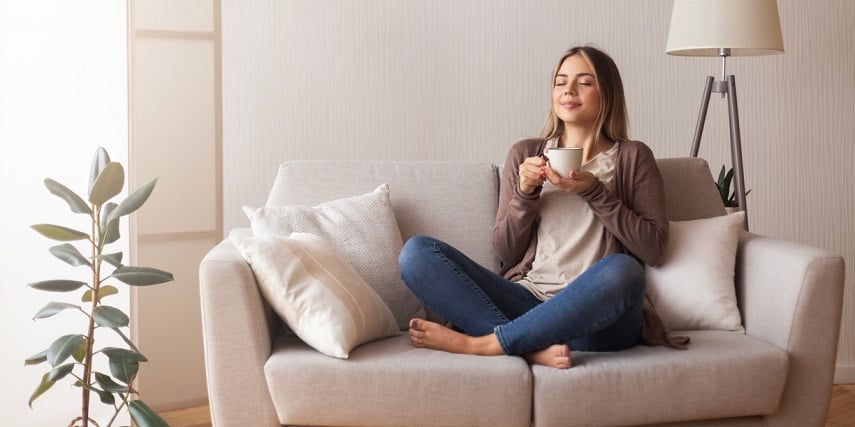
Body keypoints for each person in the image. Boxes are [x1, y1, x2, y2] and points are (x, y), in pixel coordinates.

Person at [397, 45, 687, 369]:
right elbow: (506, 252)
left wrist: (595, 191)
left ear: (608, 92)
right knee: (417, 253)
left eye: (584, 82)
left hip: (596, 320)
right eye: (560, 82)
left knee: (624, 271)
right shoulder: (526, 154)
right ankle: (528, 348)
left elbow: (654, 249)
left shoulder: (633, 157)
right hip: (528, 303)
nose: (569, 90)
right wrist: (525, 193)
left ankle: (485, 343)